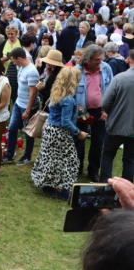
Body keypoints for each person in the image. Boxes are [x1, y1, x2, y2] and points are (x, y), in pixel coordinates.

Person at [31, 67, 87, 200]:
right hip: (59, 132)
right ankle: (59, 188)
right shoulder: (68, 98)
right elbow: (65, 121)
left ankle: (47, 184)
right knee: (67, 160)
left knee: (50, 158)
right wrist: (78, 133)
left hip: (49, 128)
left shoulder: (56, 92)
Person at [74, 45, 113, 181]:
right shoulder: (77, 71)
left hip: (100, 111)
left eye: (100, 59)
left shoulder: (106, 68)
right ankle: (76, 167)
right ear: (87, 59)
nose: (99, 63)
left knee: (98, 142)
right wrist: (79, 109)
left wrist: (106, 110)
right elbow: (70, 93)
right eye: (96, 60)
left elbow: (111, 91)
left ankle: (93, 170)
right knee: (79, 140)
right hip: (81, 110)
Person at [100, 49, 134, 182]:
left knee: (108, 155)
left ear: (128, 60)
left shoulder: (119, 78)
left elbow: (106, 102)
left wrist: (109, 112)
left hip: (116, 124)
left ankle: (104, 185)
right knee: (130, 159)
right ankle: (127, 189)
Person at [2, 47, 40, 166]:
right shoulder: (21, 67)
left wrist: (28, 111)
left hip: (28, 107)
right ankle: (9, 154)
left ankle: (27, 156)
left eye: (13, 60)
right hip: (19, 103)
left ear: (19, 58)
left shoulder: (32, 71)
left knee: (28, 132)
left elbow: (33, 93)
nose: (13, 63)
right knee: (12, 128)